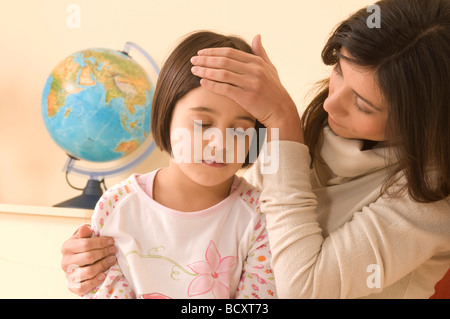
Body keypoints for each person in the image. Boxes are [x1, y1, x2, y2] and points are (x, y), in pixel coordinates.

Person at [62, 0, 450, 298]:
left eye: (363, 104)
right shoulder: (122, 202)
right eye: (338, 71)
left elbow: (300, 288)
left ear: (423, 120)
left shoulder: (428, 202)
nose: (330, 104)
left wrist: (283, 124)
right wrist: (89, 264)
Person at [73, 31, 276, 299]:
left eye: (240, 129)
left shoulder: (259, 217)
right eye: (203, 124)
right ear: (167, 116)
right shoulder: (116, 208)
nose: (220, 142)